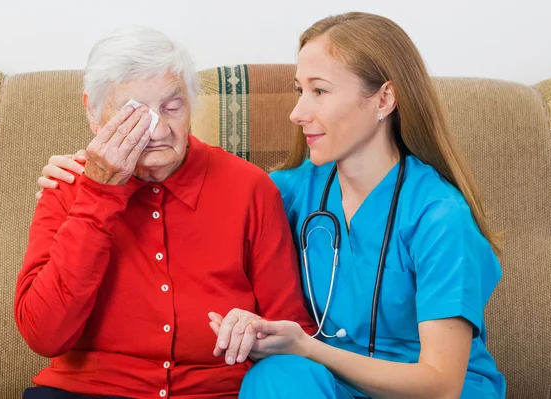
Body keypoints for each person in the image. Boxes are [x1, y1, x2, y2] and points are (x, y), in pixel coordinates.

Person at [37, 12, 506, 399]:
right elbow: (208, 194)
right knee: (277, 377)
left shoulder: (439, 215)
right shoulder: (289, 191)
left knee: (288, 369)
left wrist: (303, 346)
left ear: (384, 98)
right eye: (299, 89)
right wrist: (85, 174)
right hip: (328, 386)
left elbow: (440, 384)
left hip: (425, 391)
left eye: (318, 91)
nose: (297, 112)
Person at [15, 26, 315, 399]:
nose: (156, 129)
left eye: (172, 107)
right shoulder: (68, 187)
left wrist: (257, 331)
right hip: (90, 391)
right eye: (133, 113)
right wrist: (99, 193)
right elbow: (44, 335)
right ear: (93, 113)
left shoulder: (250, 188)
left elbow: (293, 333)